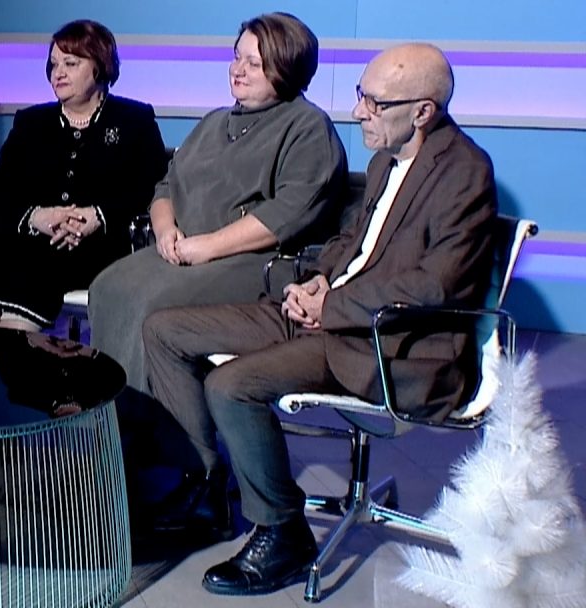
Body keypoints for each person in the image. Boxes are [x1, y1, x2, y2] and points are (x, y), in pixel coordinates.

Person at [141, 43, 497, 596]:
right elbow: (352, 244)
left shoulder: (464, 172)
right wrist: (317, 281)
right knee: (165, 330)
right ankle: (207, 486)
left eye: (375, 103)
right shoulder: (385, 160)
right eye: (361, 96)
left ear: (423, 111)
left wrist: (331, 307)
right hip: (331, 313)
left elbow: (437, 284)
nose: (359, 112)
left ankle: (282, 531)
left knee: (231, 385)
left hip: (384, 340)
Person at [89, 12, 349, 388]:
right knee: (107, 286)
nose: (237, 70)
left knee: (150, 302)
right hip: (184, 252)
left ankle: (145, 419)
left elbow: (290, 211)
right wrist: (164, 230)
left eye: (253, 63)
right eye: (236, 57)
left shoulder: (308, 127)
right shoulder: (214, 121)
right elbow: (167, 185)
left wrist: (208, 246)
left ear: (286, 67)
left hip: (255, 262)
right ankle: (107, 412)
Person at [0, 19, 167, 331]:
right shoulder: (31, 123)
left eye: (70, 64)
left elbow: (153, 187)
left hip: (97, 243)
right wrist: (38, 217)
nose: (57, 73)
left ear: (99, 66)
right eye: (54, 64)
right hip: (24, 237)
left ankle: (20, 357)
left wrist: (97, 215)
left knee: (27, 292)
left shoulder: (135, 120)